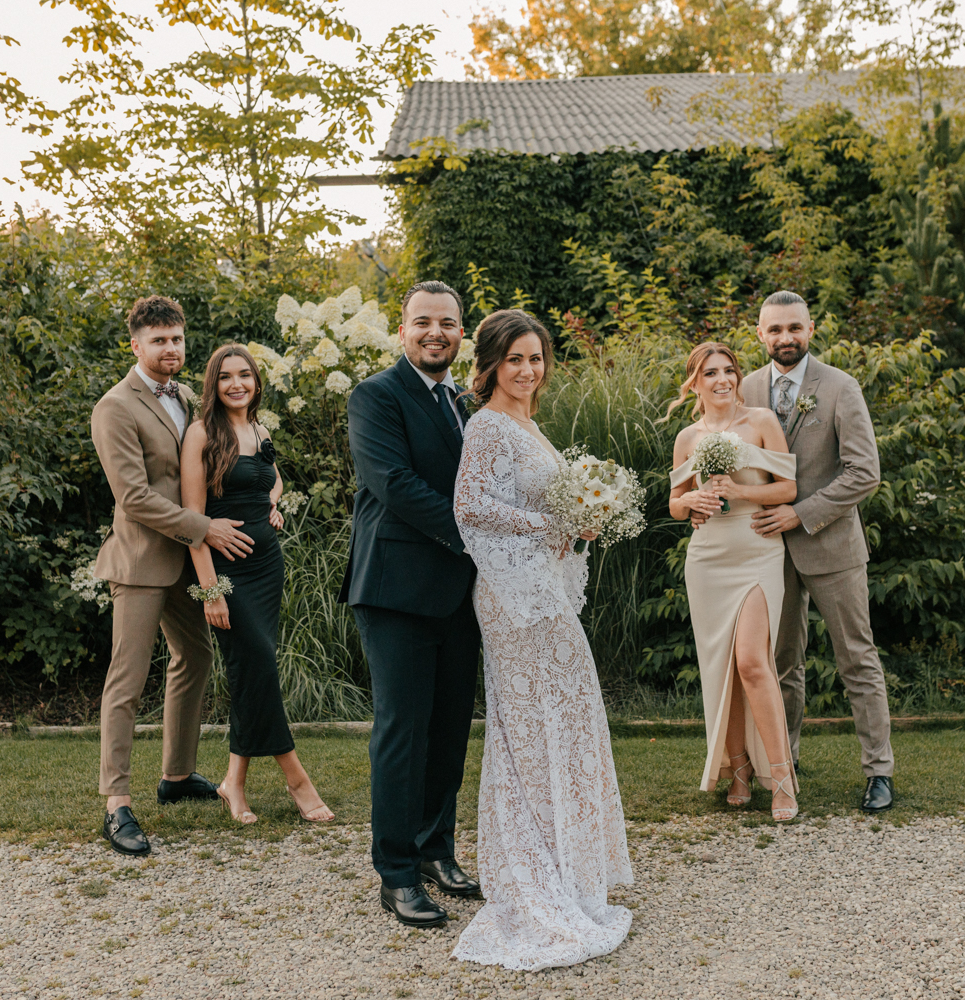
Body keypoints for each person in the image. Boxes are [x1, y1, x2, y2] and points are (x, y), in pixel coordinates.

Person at [451, 309, 633, 972]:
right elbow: (469, 505)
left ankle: (566, 866)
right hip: (512, 600)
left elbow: (537, 506)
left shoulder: (529, 425)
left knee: (566, 717)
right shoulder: (488, 425)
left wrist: (580, 518)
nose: (527, 370)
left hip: (542, 590)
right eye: (515, 360)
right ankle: (531, 871)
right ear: (492, 365)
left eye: (535, 359)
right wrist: (545, 525)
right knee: (532, 725)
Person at [89, 295, 256, 856]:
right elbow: (134, 497)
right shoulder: (115, 407)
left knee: (196, 657)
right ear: (135, 345)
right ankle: (116, 804)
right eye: (159, 340)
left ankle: (177, 776)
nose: (170, 349)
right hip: (141, 562)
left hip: (188, 559)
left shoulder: (187, 397)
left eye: (177, 339)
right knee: (128, 679)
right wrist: (204, 527)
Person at [342, 280, 482, 929]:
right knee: (403, 733)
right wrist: (479, 535)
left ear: (461, 333)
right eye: (423, 322)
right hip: (395, 589)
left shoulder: (466, 402)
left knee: (449, 730)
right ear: (403, 331)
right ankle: (396, 873)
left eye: (447, 323)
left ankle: (434, 850)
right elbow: (393, 483)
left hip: (461, 592)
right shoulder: (376, 396)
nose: (435, 332)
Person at [740, 290, 895, 812]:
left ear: (810, 330)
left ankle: (879, 772)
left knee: (857, 659)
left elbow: (864, 472)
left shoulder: (840, 387)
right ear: (760, 334)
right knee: (780, 662)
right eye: (775, 329)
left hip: (832, 546)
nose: (785, 338)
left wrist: (801, 513)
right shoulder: (745, 388)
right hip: (767, 548)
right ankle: (784, 763)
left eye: (794, 328)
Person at [180, 343, 334, 826]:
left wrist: (272, 502)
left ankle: (234, 782)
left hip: (268, 567)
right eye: (226, 377)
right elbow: (191, 520)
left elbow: (273, 479)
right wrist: (210, 592)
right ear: (213, 384)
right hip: (227, 574)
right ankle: (297, 779)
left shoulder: (260, 430)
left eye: (244, 375)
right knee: (258, 666)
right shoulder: (202, 434)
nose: (236, 384)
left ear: (256, 381)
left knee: (252, 671)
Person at [667, 343, 800, 821]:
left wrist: (739, 490)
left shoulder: (761, 421)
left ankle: (781, 776)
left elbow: (789, 488)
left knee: (752, 662)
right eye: (710, 373)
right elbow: (675, 503)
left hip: (757, 551)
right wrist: (693, 501)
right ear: (695, 383)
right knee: (723, 668)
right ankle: (738, 768)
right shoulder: (688, 437)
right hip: (708, 560)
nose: (722, 379)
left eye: (729, 371)